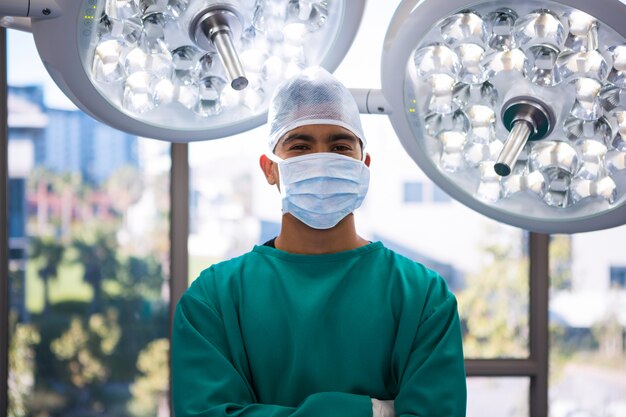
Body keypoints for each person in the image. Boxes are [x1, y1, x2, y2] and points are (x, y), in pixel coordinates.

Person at [171, 67, 467, 417]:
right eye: (300, 146)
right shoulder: (213, 300)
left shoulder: (423, 297)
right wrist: (373, 412)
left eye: (340, 146)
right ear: (270, 168)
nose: (321, 159)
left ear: (363, 166)